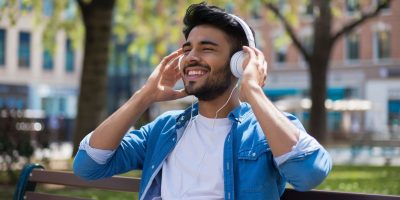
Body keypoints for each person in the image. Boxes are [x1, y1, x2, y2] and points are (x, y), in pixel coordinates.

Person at [73, 2, 332, 200]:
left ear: (239, 63)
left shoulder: (266, 131)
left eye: (207, 48)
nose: (191, 57)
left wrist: (252, 90)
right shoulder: (164, 129)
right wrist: (145, 96)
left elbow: (309, 173)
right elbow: (87, 165)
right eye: (187, 49)